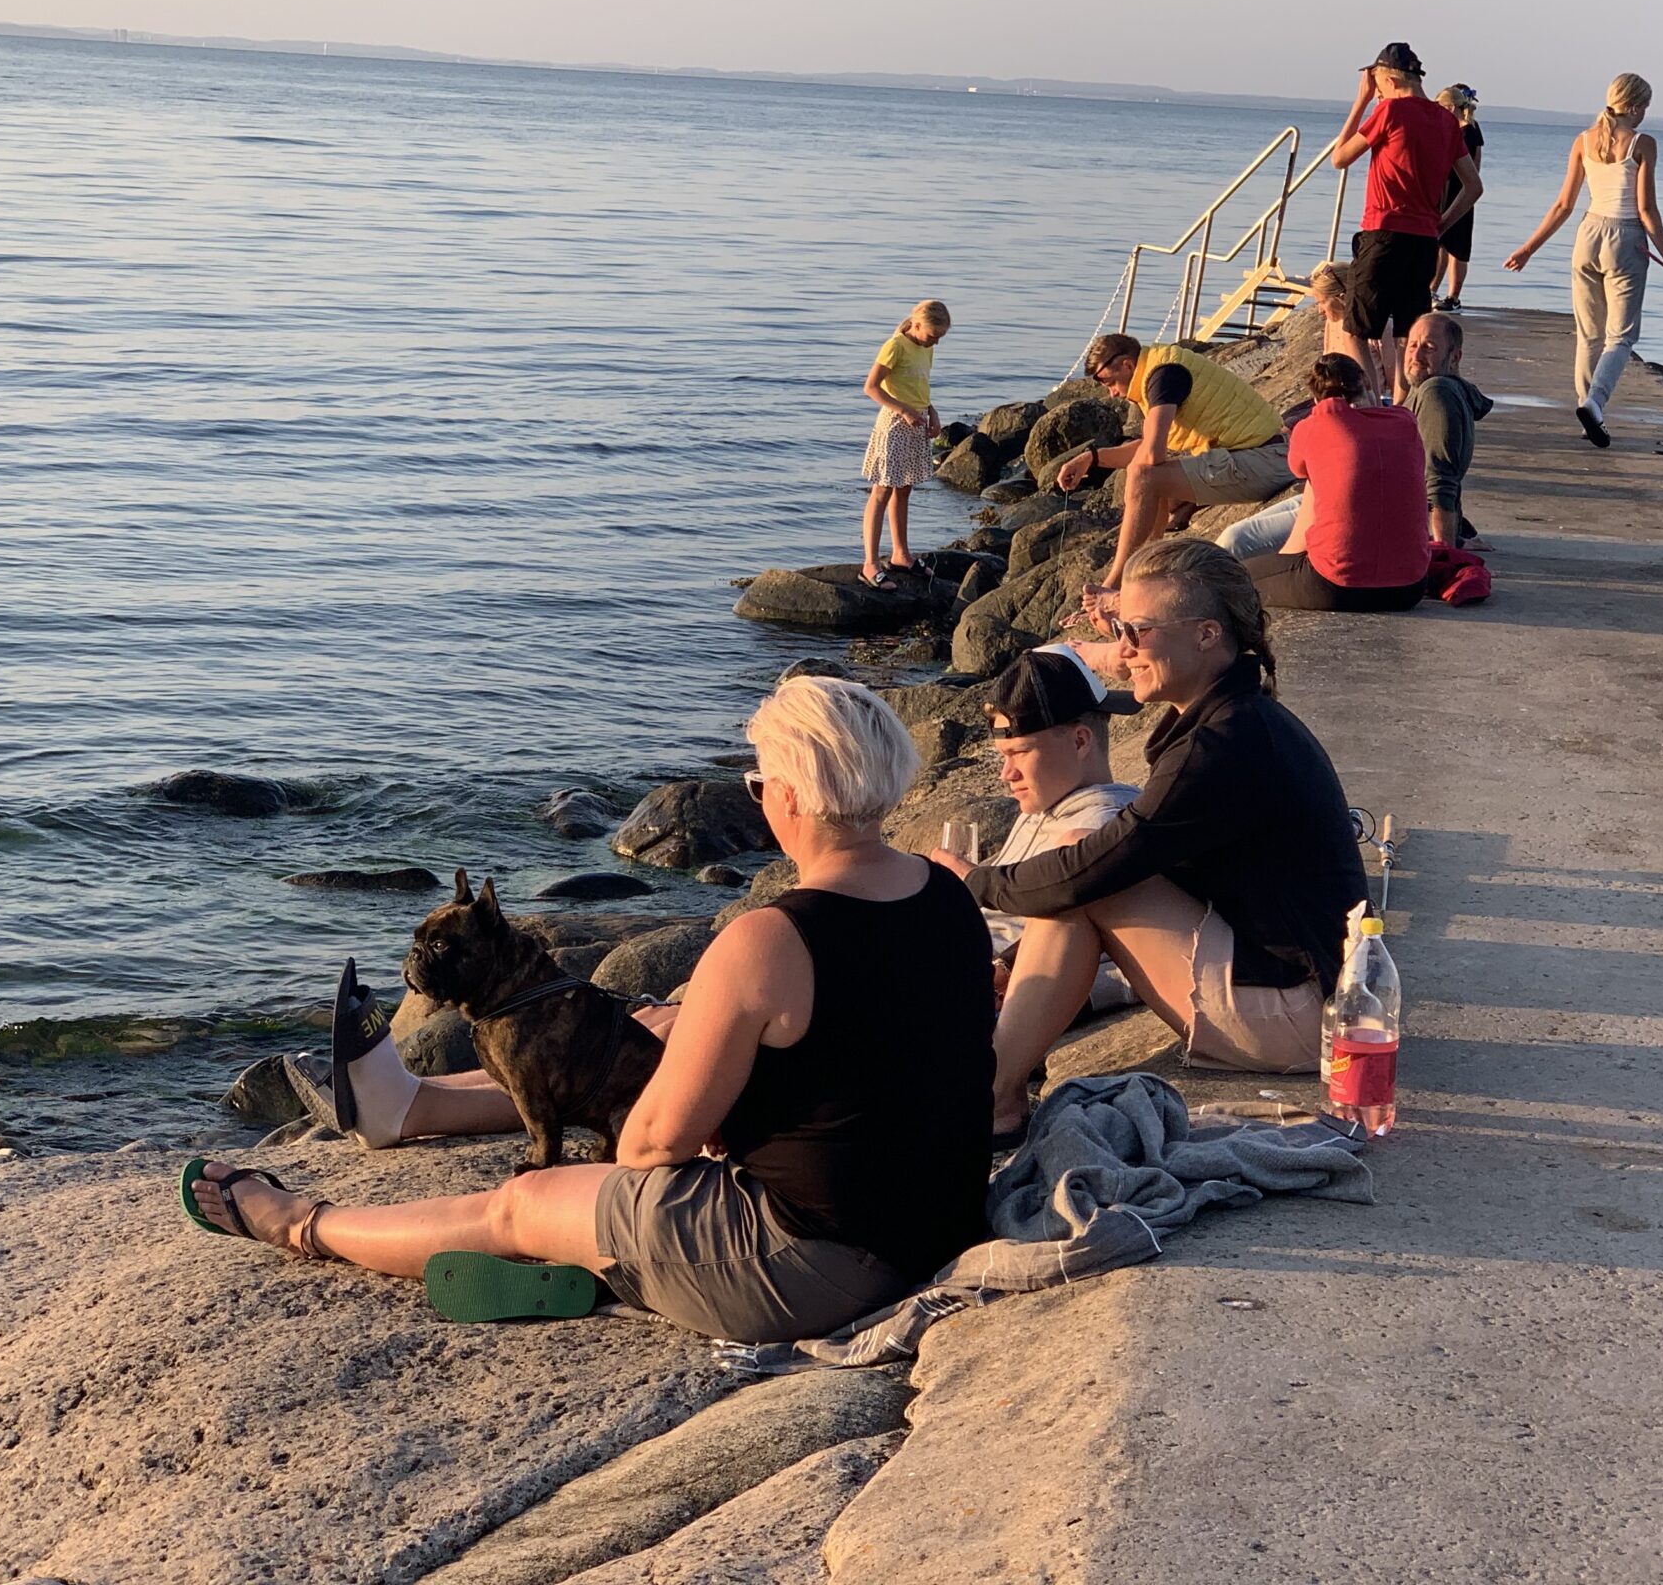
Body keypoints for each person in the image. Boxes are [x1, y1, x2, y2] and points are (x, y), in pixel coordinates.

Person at [188, 676, 994, 1345]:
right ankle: (594, 1251)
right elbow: (882, 1054)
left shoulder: (772, 940)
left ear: (788, 792)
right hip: (936, 1225)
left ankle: (299, 1222)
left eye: (757, 784)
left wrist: (669, 1140)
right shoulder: (948, 895)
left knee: (524, 1204)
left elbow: (650, 1143)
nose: (759, 800)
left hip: (811, 1270)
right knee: (661, 1063)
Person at [932, 536, 1369, 1133]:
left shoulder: (1221, 745)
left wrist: (975, 883)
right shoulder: (1234, 721)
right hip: (1312, 997)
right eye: (1120, 630)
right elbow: (1149, 861)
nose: (1124, 648)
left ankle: (992, 1100)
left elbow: (1098, 869)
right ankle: (995, 1083)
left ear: (1207, 634)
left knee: (1082, 881)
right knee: (1083, 875)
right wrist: (1014, 960)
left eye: (1138, 630)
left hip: (1302, 1017)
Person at [1503, 74, 1663, 449]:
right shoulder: (1642, 144)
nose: (1645, 114)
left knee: (1589, 335)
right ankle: (1594, 403)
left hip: (1587, 236)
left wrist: (1528, 249)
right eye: (1645, 106)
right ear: (1633, 106)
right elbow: (1646, 210)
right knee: (1621, 336)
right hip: (1626, 238)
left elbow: (1563, 205)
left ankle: (1589, 417)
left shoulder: (1583, 140)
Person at [1058, 332, 1292, 610]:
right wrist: (1091, 458)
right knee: (1149, 480)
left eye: (1109, 382)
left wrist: (1136, 479)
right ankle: (1147, 570)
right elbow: (1150, 444)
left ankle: (1117, 583)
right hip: (1259, 454)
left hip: (1265, 459)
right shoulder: (1160, 366)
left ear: (1127, 365)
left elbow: (1153, 455)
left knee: (1143, 477)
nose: (1112, 393)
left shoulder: (1164, 376)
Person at [972, 645, 1142, 1014]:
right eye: (1003, 756)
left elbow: (1122, 960)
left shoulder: (1099, 831)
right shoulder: (1045, 804)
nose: (1006, 774)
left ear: (1081, 741)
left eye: (1020, 753)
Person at [1328, 43, 1482, 403]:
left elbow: (1340, 157)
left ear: (1391, 80)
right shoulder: (1447, 121)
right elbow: (1474, 187)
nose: (1376, 90)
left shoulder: (1390, 111)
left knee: (1355, 330)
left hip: (1383, 232)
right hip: (1423, 240)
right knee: (1406, 336)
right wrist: (1441, 225)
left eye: (1378, 83)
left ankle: (1372, 408)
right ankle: (1401, 411)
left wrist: (1362, 101)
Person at [1238, 354, 1430, 612]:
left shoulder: (1313, 425)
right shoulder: (1405, 423)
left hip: (1336, 587)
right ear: (1366, 381)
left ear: (1316, 399)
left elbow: (1298, 468)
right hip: (1409, 588)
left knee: (1237, 579)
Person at [860, 299, 951, 590]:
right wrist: (904, 411)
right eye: (933, 336)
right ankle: (870, 564)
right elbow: (871, 387)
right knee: (882, 490)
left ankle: (901, 554)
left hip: (917, 421)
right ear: (917, 325)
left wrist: (932, 412)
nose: (936, 343)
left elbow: (919, 385)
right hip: (895, 424)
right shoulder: (895, 346)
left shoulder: (925, 348)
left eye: (940, 338)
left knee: (904, 488)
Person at [1400, 310, 1494, 548]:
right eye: (1412, 345)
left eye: (1429, 348)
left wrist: (1445, 552)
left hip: (1409, 530)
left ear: (1454, 358)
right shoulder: (1425, 389)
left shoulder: (1437, 392)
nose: (1416, 355)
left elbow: (1439, 478)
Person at [1431, 85, 1484, 310]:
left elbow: (1469, 165)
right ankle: (1434, 290)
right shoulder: (1467, 129)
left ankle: (1452, 296)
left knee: (1456, 247)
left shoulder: (1465, 132)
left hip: (1456, 191)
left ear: (1451, 107)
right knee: (1444, 245)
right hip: (1454, 191)